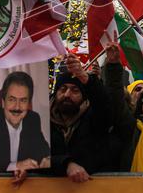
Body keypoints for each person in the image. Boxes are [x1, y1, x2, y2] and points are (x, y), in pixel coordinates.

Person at [44, 50, 114, 182]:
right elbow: (33, 157)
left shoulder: (93, 117)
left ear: (84, 97)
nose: (67, 95)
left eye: (75, 90)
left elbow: (105, 106)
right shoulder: (40, 119)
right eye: (63, 89)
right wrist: (66, 164)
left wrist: (85, 78)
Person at [0, 72, 50, 173]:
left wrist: (46, 159)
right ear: (3, 101)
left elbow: (42, 151)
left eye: (23, 100)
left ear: (29, 103)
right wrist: (16, 166)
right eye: (12, 100)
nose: (17, 107)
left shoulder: (32, 119)